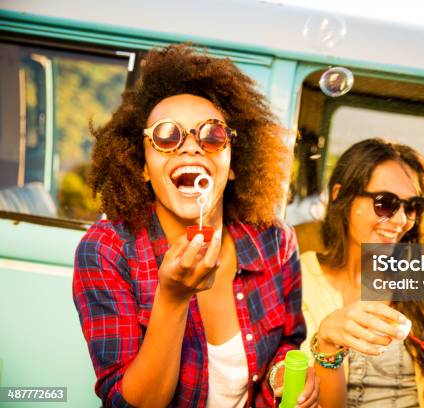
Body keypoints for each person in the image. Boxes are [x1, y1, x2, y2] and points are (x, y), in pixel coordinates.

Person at [73, 45, 319, 407]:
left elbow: (287, 342)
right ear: (142, 165)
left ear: (234, 162)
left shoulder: (275, 241)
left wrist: (283, 372)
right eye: (167, 135)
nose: (190, 148)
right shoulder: (107, 251)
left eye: (212, 135)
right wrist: (172, 299)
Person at [299, 138, 424, 407]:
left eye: (412, 207)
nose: (401, 220)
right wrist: (326, 343)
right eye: (385, 203)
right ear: (340, 195)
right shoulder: (298, 277)